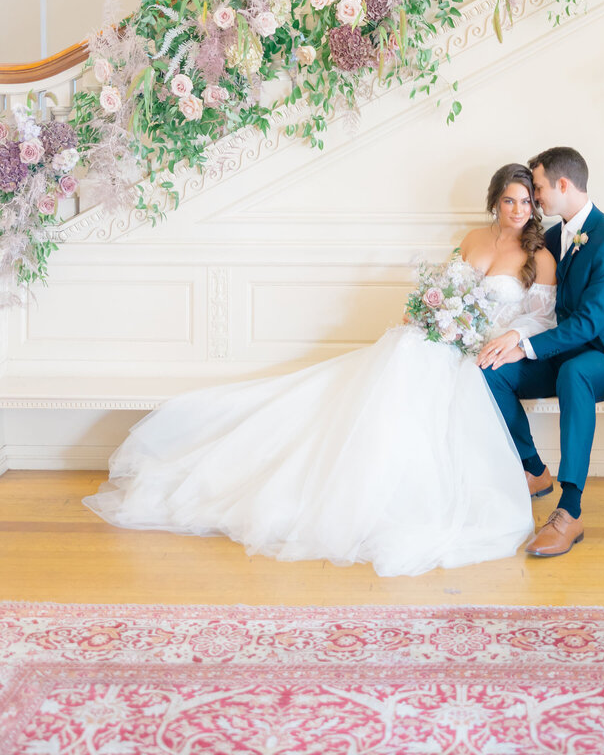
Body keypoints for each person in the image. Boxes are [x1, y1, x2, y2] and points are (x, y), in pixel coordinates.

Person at [84, 164, 557, 577]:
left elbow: (540, 317)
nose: (518, 210)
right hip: (438, 336)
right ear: (495, 202)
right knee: (401, 357)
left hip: (478, 349)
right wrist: (430, 313)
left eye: (524, 203)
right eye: (509, 201)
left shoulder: (539, 257)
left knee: (422, 375)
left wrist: (506, 339)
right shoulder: (472, 240)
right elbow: (444, 286)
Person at [478, 146, 604, 558]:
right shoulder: (553, 236)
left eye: (536, 189)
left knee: (574, 373)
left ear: (562, 184)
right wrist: (510, 340)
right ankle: (535, 470)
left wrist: (527, 345)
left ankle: (569, 511)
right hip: (560, 349)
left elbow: (590, 323)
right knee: (491, 369)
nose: (534, 199)